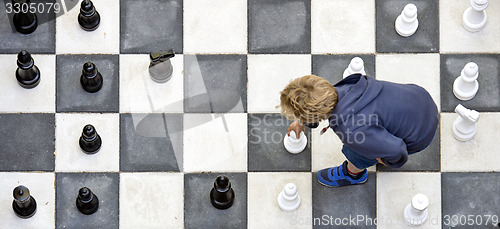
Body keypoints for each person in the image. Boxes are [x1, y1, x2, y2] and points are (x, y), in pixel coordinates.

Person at [279, 74, 439, 187]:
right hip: (421, 98)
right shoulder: (347, 87)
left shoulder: (352, 131)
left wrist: (388, 161)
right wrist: (301, 122)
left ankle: (352, 174)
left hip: (420, 135)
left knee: (355, 151)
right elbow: (317, 105)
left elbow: (397, 149)